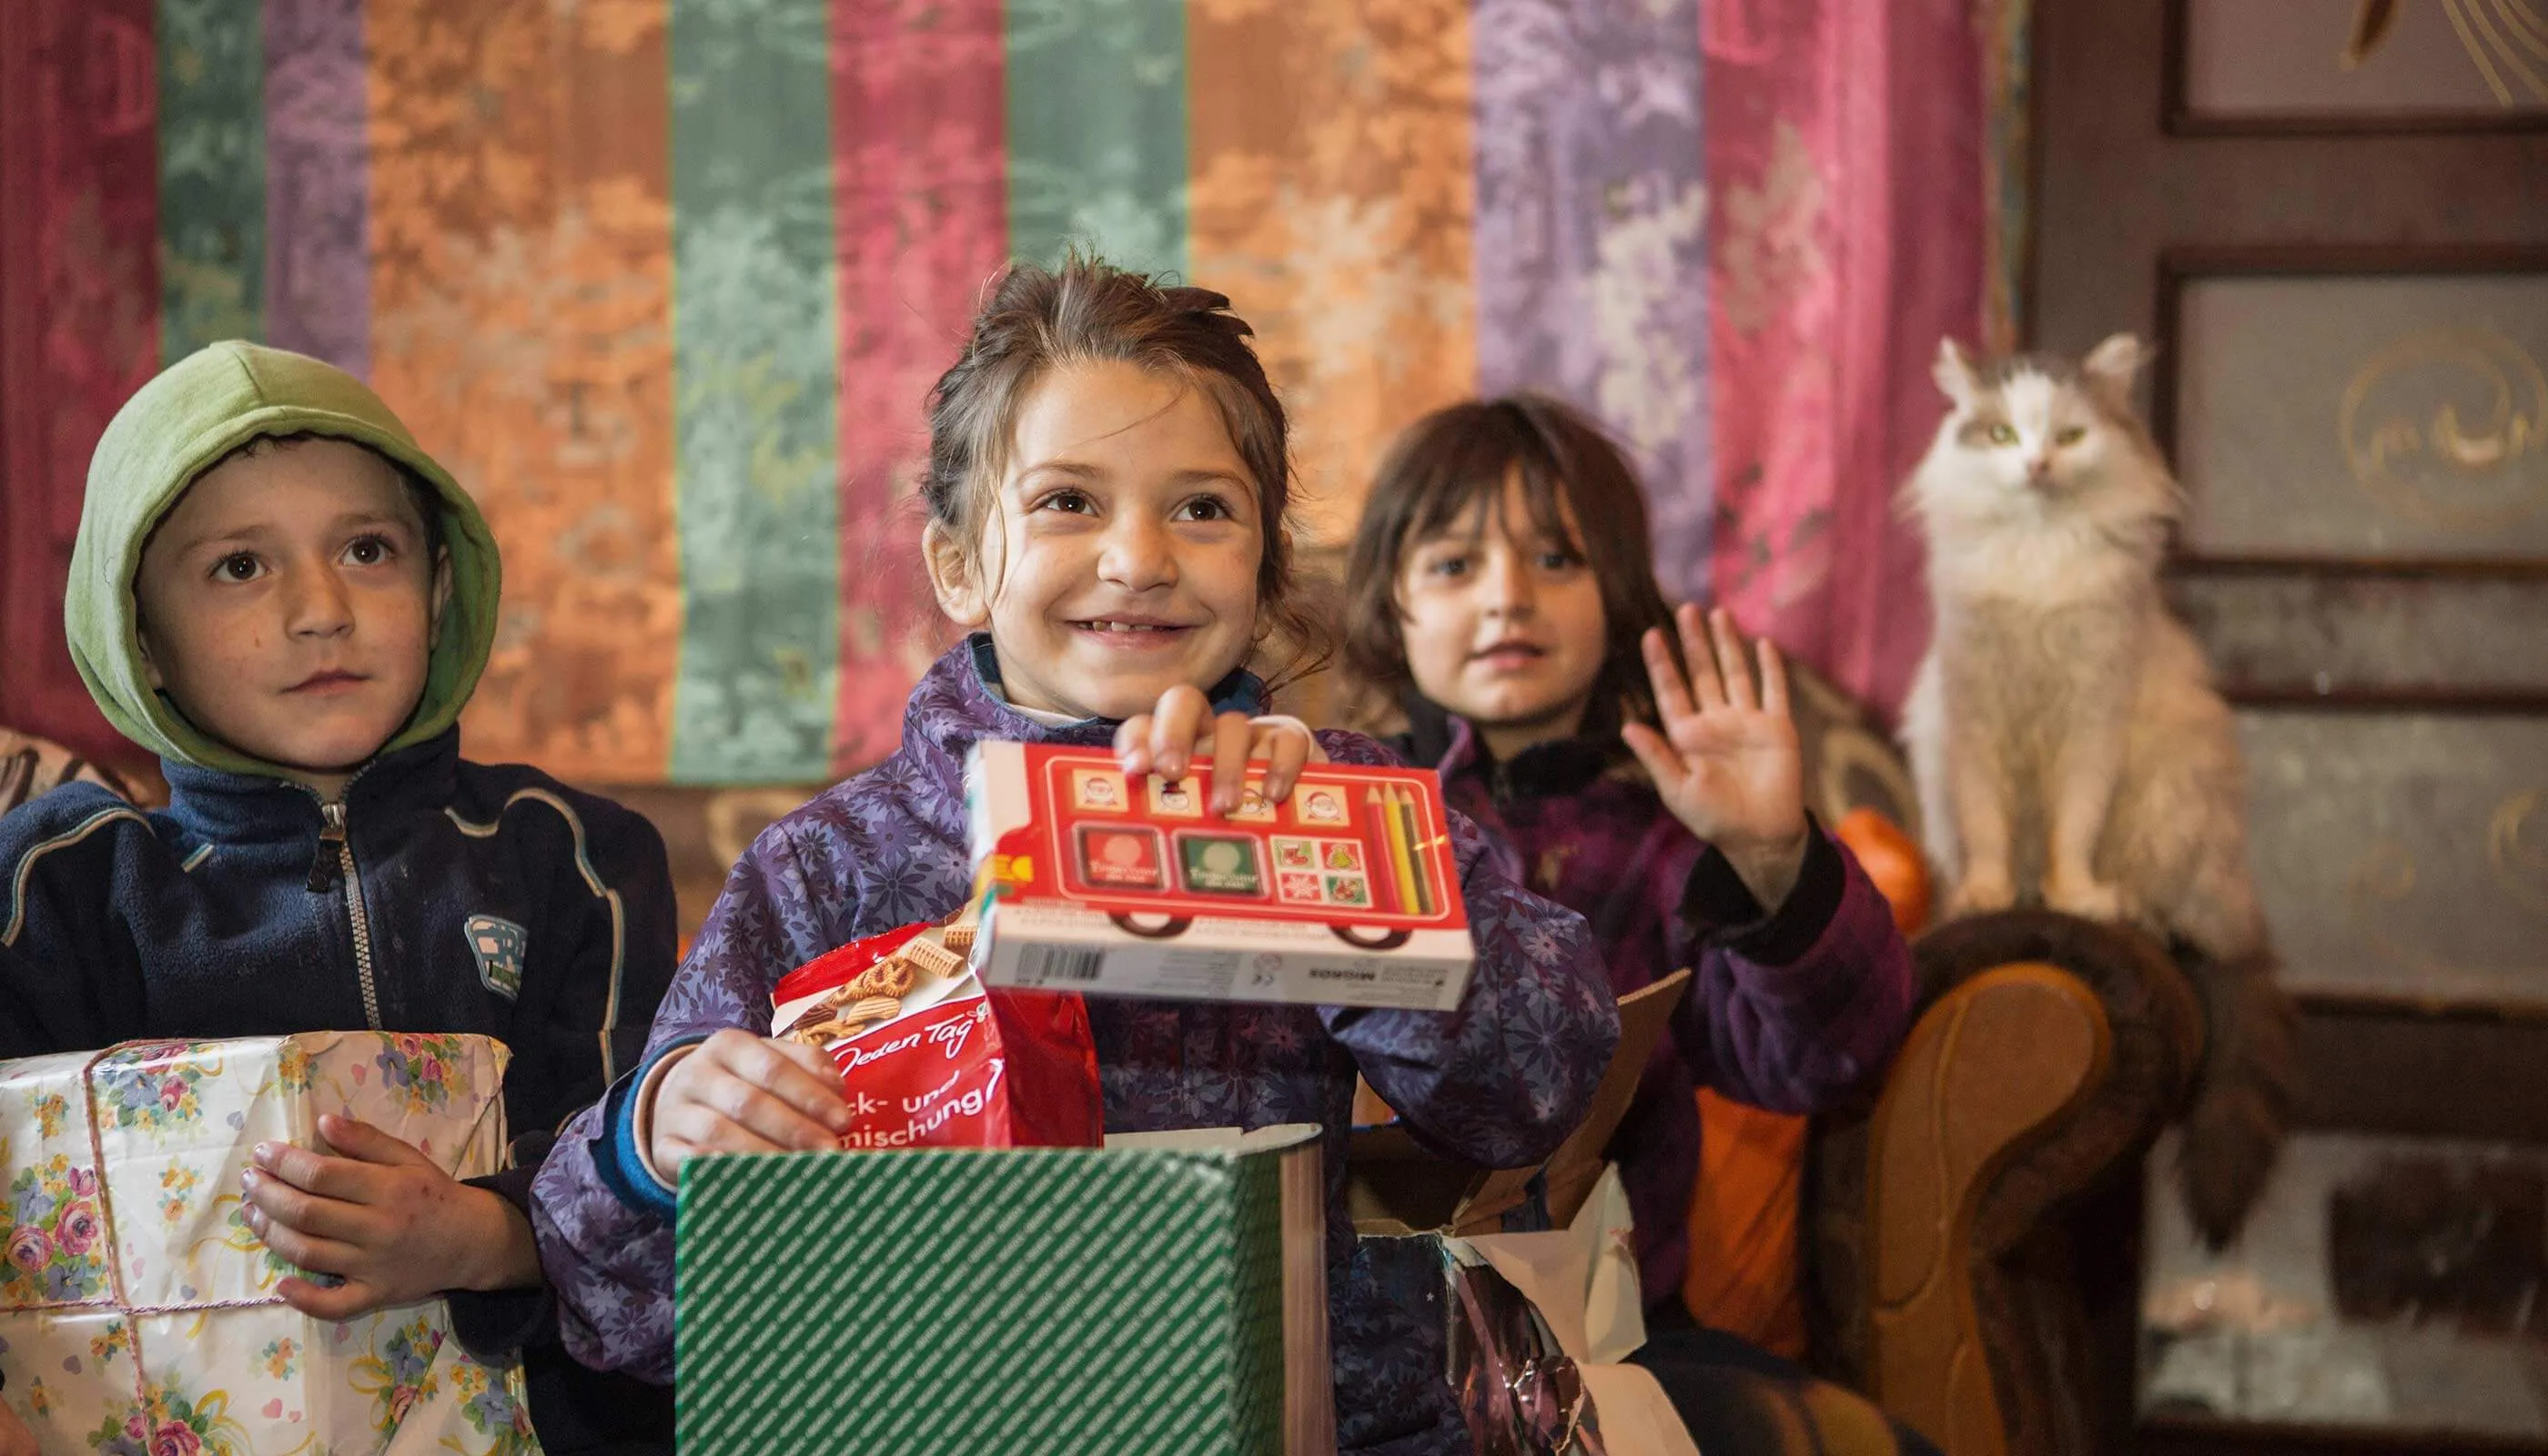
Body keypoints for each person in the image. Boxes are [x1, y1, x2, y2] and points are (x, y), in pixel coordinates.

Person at [527, 259, 1621, 1454]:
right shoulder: (830, 867)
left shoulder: (1341, 797)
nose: (1139, 557)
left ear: (1263, 569)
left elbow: (1539, 1087)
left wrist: (1321, 875)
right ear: (958, 566)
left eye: (1203, 508)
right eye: (1068, 502)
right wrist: (657, 1139)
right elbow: (614, 1305)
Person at [0, 341, 677, 1454]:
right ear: (144, 639)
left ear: (438, 583)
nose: (320, 609)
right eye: (238, 567)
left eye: (367, 550)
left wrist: (480, 1239)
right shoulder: (58, 886)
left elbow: (654, 1202)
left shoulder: (574, 859)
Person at [1343, 393, 1934, 1453]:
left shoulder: (1663, 833)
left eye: (1558, 558)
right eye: (1453, 564)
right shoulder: (1343, 808)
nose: (1507, 597)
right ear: (1389, 610)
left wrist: (1769, 855)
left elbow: (1825, 1059)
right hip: (1370, 1348)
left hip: (1618, 1336)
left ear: (1619, 597)